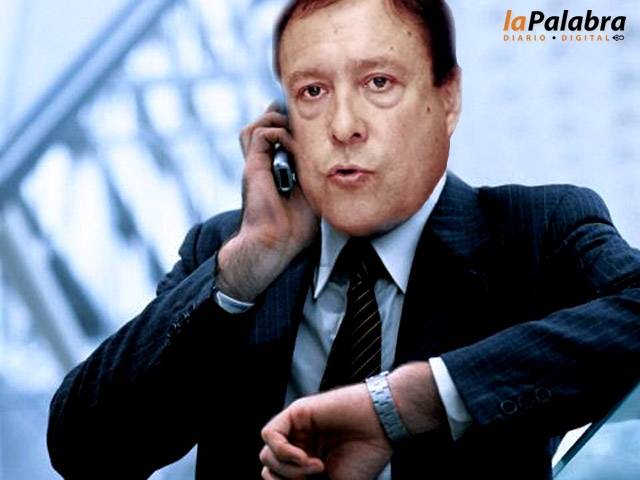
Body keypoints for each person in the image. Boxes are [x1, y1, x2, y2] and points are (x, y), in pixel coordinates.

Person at [47, 0, 640, 479]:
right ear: (281, 126)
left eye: (379, 82)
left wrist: (411, 401)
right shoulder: (226, 253)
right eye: (313, 92)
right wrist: (249, 263)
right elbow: (83, 450)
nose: (344, 126)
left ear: (447, 99)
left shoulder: (533, 231)